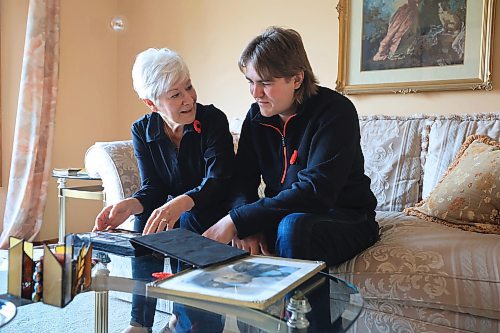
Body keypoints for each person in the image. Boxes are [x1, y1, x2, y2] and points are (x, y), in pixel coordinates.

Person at [204, 26, 379, 276]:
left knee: (293, 227)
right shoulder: (257, 116)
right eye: (251, 82)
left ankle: (298, 316)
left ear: (297, 79)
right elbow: (242, 180)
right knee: (199, 216)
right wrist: (246, 223)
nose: (255, 93)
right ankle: (192, 315)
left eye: (265, 83)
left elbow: (316, 192)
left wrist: (239, 220)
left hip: (346, 216)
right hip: (287, 212)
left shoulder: (335, 112)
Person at [93, 48, 234, 333]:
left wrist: (182, 202)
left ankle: (188, 321)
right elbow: (153, 188)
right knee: (145, 223)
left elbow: (218, 180)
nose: (189, 98)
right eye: (175, 94)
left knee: (188, 221)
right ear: (151, 103)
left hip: (211, 210)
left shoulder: (213, 121)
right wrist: (129, 205)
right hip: (178, 211)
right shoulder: (142, 130)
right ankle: (140, 323)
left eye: (189, 87)